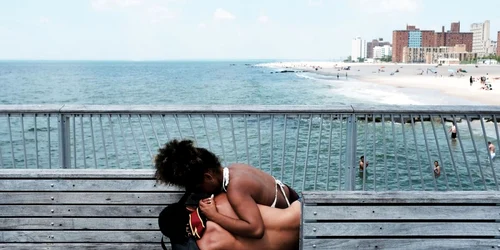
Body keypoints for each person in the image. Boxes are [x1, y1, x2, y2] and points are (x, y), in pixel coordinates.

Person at [154, 139, 300, 239]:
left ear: (208, 177)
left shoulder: (235, 189)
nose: (200, 192)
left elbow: (256, 230)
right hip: (291, 197)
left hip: (296, 216)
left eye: (198, 187)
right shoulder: (233, 168)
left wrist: (214, 216)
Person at [160, 193, 300, 250]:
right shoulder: (222, 199)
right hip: (302, 213)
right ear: (189, 208)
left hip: (296, 245)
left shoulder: (206, 246)